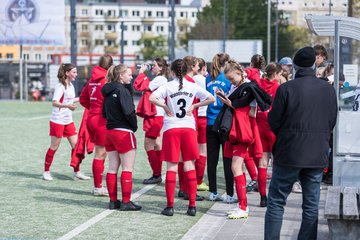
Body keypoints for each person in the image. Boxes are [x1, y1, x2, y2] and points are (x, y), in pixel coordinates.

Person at [264, 46, 338, 239]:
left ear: (294, 66)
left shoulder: (286, 89)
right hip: (316, 154)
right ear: (315, 64)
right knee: (311, 205)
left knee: (277, 202)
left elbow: (274, 121)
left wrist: (286, 135)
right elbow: (332, 121)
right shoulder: (327, 90)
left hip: (289, 153)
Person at [149, 59, 215, 217]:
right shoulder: (192, 86)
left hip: (171, 128)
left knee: (171, 167)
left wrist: (164, 106)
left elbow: (152, 97)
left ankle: (170, 206)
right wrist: (194, 106)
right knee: (189, 165)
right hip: (188, 128)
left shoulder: (167, 86)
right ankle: (192, 206)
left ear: (172, 72)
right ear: (186, 71)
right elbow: (211, 98)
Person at [215, 59, 272, 219]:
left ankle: (243, 206)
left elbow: (252, 113)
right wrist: (228, 100)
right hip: (238, 130)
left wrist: (231, 103)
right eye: (229, 80)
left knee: (236, 167)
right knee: (236, 167)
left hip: (243, 131)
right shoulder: (240, 87)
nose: (231, 82)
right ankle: (242, 205)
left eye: (232, 79)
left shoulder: (249, 88)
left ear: (240, 73)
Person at [102, 64, 141, 211]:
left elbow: (104, 114)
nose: (131, 77)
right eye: (129, 74)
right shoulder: (122, 90)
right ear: (120, 76)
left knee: (112, 168)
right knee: (127, 168)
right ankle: (126, 201)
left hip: (110, 132)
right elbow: (129, 111)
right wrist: (134, 126)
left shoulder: (107, 90)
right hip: (124, 132)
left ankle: (113, 201)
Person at [43, 63, 90, 181]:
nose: (76, 74)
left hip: (68, 121)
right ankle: (46, 171)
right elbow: (54, 102)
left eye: (76, 72)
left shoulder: (71, 86)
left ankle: (77, 171)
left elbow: (70, 99)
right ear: (67, 73)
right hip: (57, 120)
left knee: (76, 145)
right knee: (54, 146)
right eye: (74, 72)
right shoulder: (60, 86)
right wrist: (67, 106)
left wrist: (84, 98)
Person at [79, 54, 113, 196]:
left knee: (102, 152)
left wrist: (93, 108)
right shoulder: (106, 81)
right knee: (101, 153)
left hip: (92, 118)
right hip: (101, 120)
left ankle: (99, 185)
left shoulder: (92, 79)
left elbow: (82, 99)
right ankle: (98, 187)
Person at [206, 53, 236, 203]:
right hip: (224, 123)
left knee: (211, 159)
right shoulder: (228, 78)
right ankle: (230, 194)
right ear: (227, 63)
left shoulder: (208, 77)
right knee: (227, 159)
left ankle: (213, 192)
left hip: (210, 122)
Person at [133, 57, 168, 184]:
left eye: (154, 65)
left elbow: (141, 86)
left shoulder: (160, 79)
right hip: (157, 114)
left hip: (155, 115)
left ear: (161, 68)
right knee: (157, 143)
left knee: (148, 144)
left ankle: (157, 173)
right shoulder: (159, 79)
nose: (152, 67)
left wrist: (141, 72)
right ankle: (157, 173)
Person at [256, 63, 282, 207]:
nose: (280, 77)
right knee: (276, 162)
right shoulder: (278, 87)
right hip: (273, 127)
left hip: (260, 127)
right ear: (276, 74)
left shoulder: (258, 85)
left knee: (263, 163)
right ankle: (274, 195)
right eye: (280, 74)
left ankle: (263, 197)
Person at [193, 57, 209, 191]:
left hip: (191, 118)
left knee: (188, 151)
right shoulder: (205, 80)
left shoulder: (189, 80)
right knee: (202, 150)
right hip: (203, 117)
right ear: (203, 68)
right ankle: (198, 181)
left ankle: (188, 181)